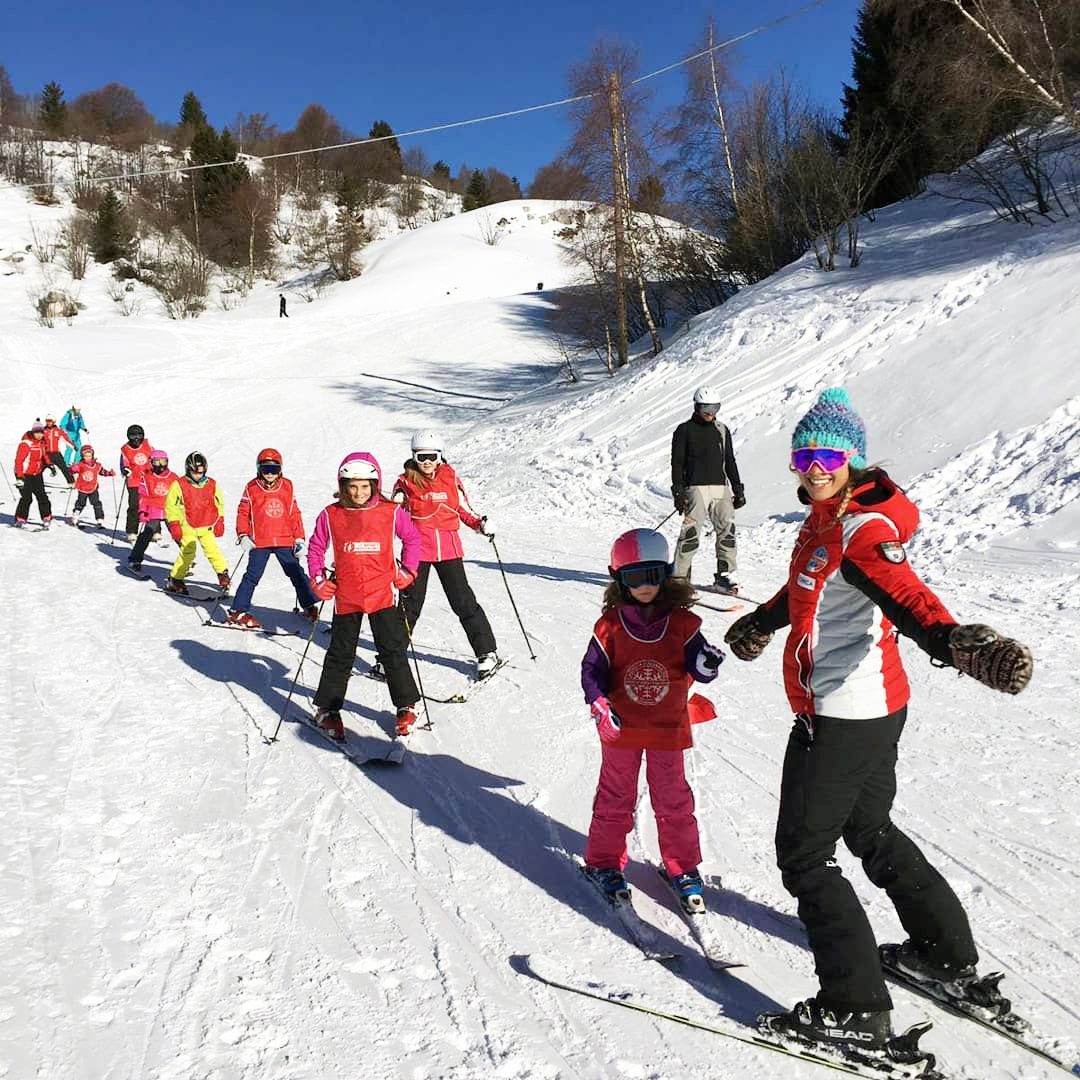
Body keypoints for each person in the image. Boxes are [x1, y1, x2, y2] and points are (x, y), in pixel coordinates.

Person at [724, 387, 1034, 1057]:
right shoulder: (826, 519)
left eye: (829, 455)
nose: (814, 467)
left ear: (854, 459)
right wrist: (760, 621)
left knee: (805, 856)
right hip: (874, 709)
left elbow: (904, 596)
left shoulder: (862, 528)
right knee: (869, 828)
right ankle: (943, 957)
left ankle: (854, 1007)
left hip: (840, 714)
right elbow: (808, 584)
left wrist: (957, 644)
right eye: (804, 454)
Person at [580, 528, 724, 913]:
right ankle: (605, 862)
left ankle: (683, 866)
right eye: (634, 578)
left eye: (653, 576)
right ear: (618, 578)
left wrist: (706, 664)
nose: (645, 587)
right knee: (616, 797)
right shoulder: (609, 626)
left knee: (674, 798)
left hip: (667, 727)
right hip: (621, 728)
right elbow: (591, 670)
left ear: (667, 574)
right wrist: (597, 702)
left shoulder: (682, 624)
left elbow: (700, 663)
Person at [307, 453, 421, 740]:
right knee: (340, 654)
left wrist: (408, 570)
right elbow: (316, 547)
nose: (358, 493)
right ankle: (327, 709)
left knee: (392, 650)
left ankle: (405, 706)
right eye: (352, 486)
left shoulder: (390, 511)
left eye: (365, 486)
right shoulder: (331, 514)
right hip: (347, 594)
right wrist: (318, 579)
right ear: (343, 485)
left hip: (383, 592)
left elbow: (412, 539)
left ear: (375, 484)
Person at [388, 430, 499, 680]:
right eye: (421, 456)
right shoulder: (405, 482)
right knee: (410, 604)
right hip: (417, 551)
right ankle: (391, 655)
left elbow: (463, 508)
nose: (426, 462)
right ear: (413, 456)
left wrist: (480, 524)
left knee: (463, 601)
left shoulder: (451, 478)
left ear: (440, 455)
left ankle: (486, 652)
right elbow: (392, 515)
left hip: (449, 549)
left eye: (431, 456)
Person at [228, 448, 319, 628]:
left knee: (296, 573)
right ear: (258, 468)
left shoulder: (287, 486)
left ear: (280, 469)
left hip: (284, 538)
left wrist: (299, 538)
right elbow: (243, 512)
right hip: (260, 540)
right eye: (266, 469)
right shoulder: (252, 487)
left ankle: (308, 604)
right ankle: (237, 611)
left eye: (274, 469)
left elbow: (294, 513)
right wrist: (243, 534)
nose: (270, 474)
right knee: (252, 575)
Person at [671, 385, 745, 592]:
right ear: (697, 407)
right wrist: (678, 491)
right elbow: (677, 463)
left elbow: (729, 460)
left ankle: (725, 575)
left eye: (715, 408)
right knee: (691, 535)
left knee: (727, 533)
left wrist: (738, 489)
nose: (710, 413)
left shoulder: (721, 430)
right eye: (706, 408)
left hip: (721, 488)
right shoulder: (684, 430)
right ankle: (679, 579)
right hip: (695, 489)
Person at [164, 452, 230, 595]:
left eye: (201, 473)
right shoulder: (179, 485)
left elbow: (219, 503)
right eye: (195, 473)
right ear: (188, 470)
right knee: (188, 552)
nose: (198, 476)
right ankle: (175, 579)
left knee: (212, 550)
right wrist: (174, 523)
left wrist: (220, 520)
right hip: (187, 525)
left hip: (206, 523)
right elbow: (171, 506)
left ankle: (222, 573)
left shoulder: (211, 484)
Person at [128, 450, 177, 575]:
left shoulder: (172, 477)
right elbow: (143, 495)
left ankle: (187, 558)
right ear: (152, 462)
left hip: (169, 509)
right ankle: (135, 560)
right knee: (147, 533)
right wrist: (143, 510)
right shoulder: (147, 477)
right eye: (157, 462)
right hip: (154, 507)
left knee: (178, 532)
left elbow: (180, 493)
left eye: (163, 462)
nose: (160, 465)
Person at [13, 421, 53, 527]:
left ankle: (46, 516)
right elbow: (18, 461)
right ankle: (20, 518)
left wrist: (50, 464)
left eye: (41, 432)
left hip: (37, 473)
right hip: (25, 474)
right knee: (26, 498)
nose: (39, 435)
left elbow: (44, 455)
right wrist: (19, 477)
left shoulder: (41, 443)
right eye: (37, 432)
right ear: (32, 432)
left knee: (42, 496)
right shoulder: (26, 444)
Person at [119, 424, 153, 542]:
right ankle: (132, 531)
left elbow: (154, 457)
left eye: (139, 435)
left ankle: (153, 530)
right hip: (134, 481)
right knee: (134, 505)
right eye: (133, 436)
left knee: (152, 504)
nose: (136, 438)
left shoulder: (147, 446)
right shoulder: (126, 449)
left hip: (149, 480)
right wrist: (125, 470)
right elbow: (123, 463)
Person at [69, 445, 115, 527]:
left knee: (96, 503)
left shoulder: (97, 465)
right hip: (82, 487)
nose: (88, 458)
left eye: (89, 456)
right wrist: (70, 470)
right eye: (85, 456)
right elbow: (71, 471)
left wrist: (109, 473)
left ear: (92, 455)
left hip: (93, 488)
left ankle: (99, 519)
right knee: (81, 503)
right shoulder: (80, 465)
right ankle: (75, 515)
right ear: (82, 456)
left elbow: (102, 472)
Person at [41, 415, 75, 484]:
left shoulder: (58, 431)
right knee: (39, 469)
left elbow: (66, 439)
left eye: (50, 421)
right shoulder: (43, 431)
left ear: (53, 422)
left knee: (64, 468)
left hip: (56, 453)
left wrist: (74, 446)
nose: (48, 423)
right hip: (46, 453)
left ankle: (71, 482)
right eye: (47, 421)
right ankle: (37, 483)